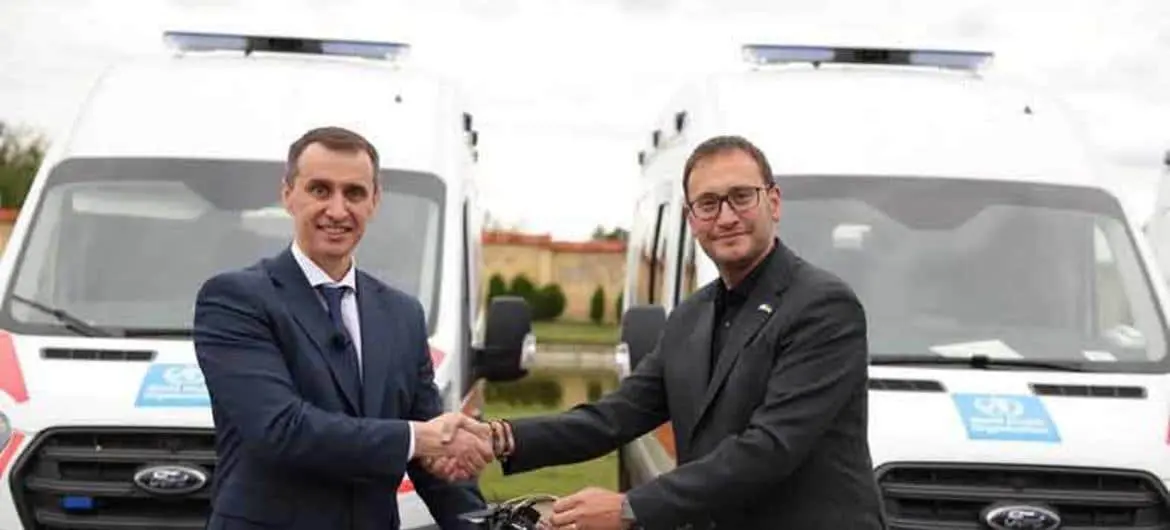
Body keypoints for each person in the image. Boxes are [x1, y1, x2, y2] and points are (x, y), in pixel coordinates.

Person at [474, 135, 887, 530]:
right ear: (691, 220)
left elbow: (770, 448)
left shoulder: (822, 306)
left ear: (773, 202)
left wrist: (630, 508)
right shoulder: (691, 316)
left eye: (742, 196)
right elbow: (615, 416)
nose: (726, 217)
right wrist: (497, 438)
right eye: (708, 204)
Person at [192, 126, 493, 530]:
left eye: (354, 193)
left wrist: (485, 523)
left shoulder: (403, 315)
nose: (337, 210)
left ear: (374, 201)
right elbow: (281, 429)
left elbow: (434, 464)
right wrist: (421, 438)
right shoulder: (236, 299)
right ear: (288, 194)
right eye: (320, 190)